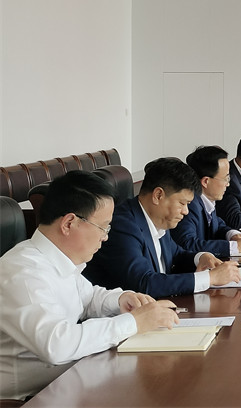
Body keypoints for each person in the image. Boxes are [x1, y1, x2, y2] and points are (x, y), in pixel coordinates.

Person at [0, 171, 179, 400]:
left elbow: (88, 298)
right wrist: (133, 322)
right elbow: (56, 344)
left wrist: (122, 299)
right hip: (28, 399)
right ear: (69, 223)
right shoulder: (21, 272)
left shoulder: (57, 259)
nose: (105, 237)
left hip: (67, 383)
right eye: (103, 227)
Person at [83, 158, 241, 298]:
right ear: (158, 195)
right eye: (182, 203)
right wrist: (210, 278)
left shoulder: (157, 219)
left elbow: (176, 254)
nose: (186, 211)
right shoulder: (123, 225)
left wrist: (201, 257)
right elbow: (144, 283)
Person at [172, 145, 241, 259]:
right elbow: (188, 244)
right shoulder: (190, 205)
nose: (228, 184)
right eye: (225, 178)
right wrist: (233, 247)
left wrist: (233, 235)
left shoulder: (207, 200)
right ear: (206, 181)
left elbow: (217, 225)